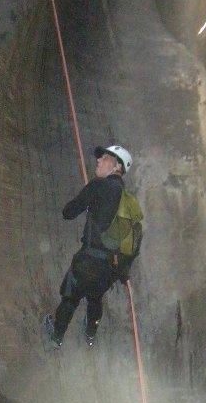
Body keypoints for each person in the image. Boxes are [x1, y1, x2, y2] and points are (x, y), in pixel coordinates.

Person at [43, 144, 137, 347]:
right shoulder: (130, 202)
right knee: (95, 297)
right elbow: (134, 238)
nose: (99, 160)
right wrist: (123, 271)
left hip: (87, 260)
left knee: (71, 296)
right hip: (108, 267)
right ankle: (91, 334)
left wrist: (88, 202)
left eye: (105, 158)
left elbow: (68, 213)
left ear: (117, 167)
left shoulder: (98, 185)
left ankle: (56, 336)